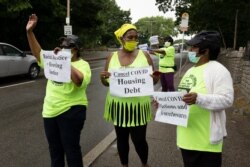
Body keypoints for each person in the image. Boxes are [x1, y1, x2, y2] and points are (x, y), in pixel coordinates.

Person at [26, 14, 91, 167]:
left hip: (71, 111)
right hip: (49, 112)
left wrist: (64, 61)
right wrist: (29, 32)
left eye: (67, 47)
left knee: (71, 150)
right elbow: (38, 54)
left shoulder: (84, 65)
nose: (63, 49)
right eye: (62, 46)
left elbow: (79, 80)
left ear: (76, 49)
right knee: (55, 151)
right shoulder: (54, 58)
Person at [100, 23, 159, 167]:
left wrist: (154, 77)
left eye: (135, 37)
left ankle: (144, 164)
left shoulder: (144, 55)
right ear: (121, 38)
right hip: (119, 106)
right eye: (129, 37)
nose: (133, 40)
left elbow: (154, 81)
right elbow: (107, 83)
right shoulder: (111, 57)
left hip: (138, 106)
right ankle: (124, 165)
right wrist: (103, 77)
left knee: (139, 140)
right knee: (121, 139)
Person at [177, 31, 234, 167]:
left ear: (205, 51)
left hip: (206, 141)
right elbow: (181, 97)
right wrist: (164, 104)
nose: (190, 50)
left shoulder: (219, 71)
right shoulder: (190, 70)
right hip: (186, 137)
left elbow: (227, 99)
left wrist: (199, 98)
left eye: (193, 47)